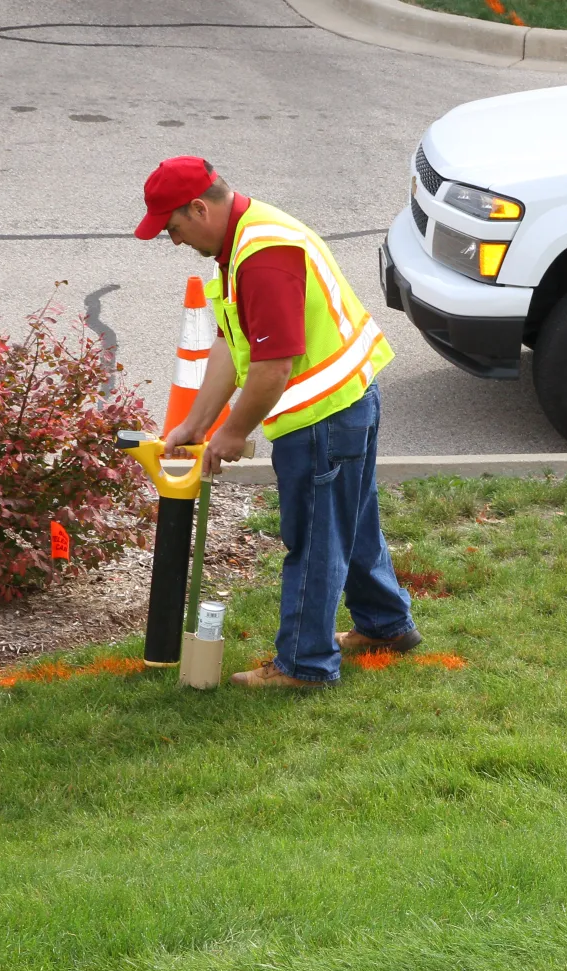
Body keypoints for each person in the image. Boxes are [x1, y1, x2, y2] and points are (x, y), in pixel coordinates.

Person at [137, 156, 419, 688]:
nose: (172, 241)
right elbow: (230, 341)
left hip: (324, 416)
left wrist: (232, 433)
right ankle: (385, 624)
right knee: (351, 522)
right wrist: (198, 425)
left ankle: (304, 664)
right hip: (346, 401)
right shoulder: (242, 238)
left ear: (199, 208)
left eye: (172, 228)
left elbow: (272, 367)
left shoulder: (262, 256)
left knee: (315, 540)